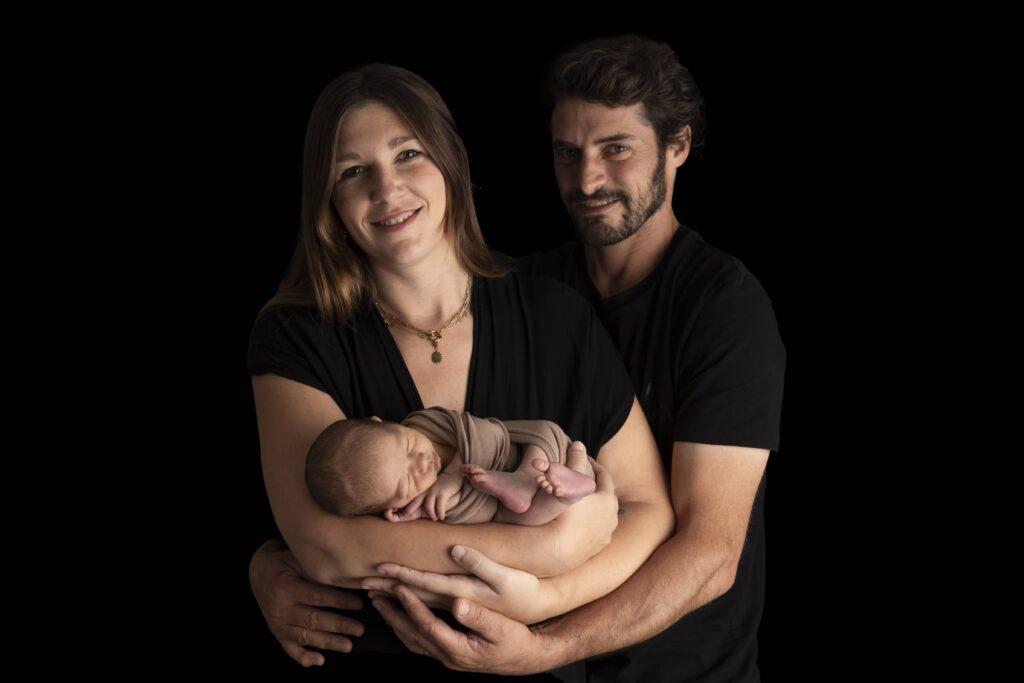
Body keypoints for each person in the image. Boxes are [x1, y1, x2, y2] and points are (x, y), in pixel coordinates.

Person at [332, 36, 787, 682]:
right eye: (567, 153)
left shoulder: (724, 309)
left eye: (615, 149)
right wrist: (278, 559)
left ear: (678, 146)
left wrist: (548, 645)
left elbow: (710, 554)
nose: (587, 178)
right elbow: (410, 466)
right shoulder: (527, 293)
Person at [245, 62, 675, 678]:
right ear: (328, 199)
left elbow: (648, 508)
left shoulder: (554, 315)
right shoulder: (296, 334)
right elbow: (326, 547)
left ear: (449, 160)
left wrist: (551, 599)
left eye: (408, 154)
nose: (386, 190)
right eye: (353, 171)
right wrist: (550, 548)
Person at [305, 409, 597, 525]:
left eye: (407, 447)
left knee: (545, 431)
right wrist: (418, 510)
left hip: (533, 453)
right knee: (520, 518)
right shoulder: (420, 499)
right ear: (390, 507)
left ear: (382, 422)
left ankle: (524, 480)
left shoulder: (424, 422)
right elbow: (479, 513)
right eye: (406, 483)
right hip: (536, 497)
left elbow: (484, 431)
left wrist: (450, 477)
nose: (420, 463)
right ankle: (569, 492)